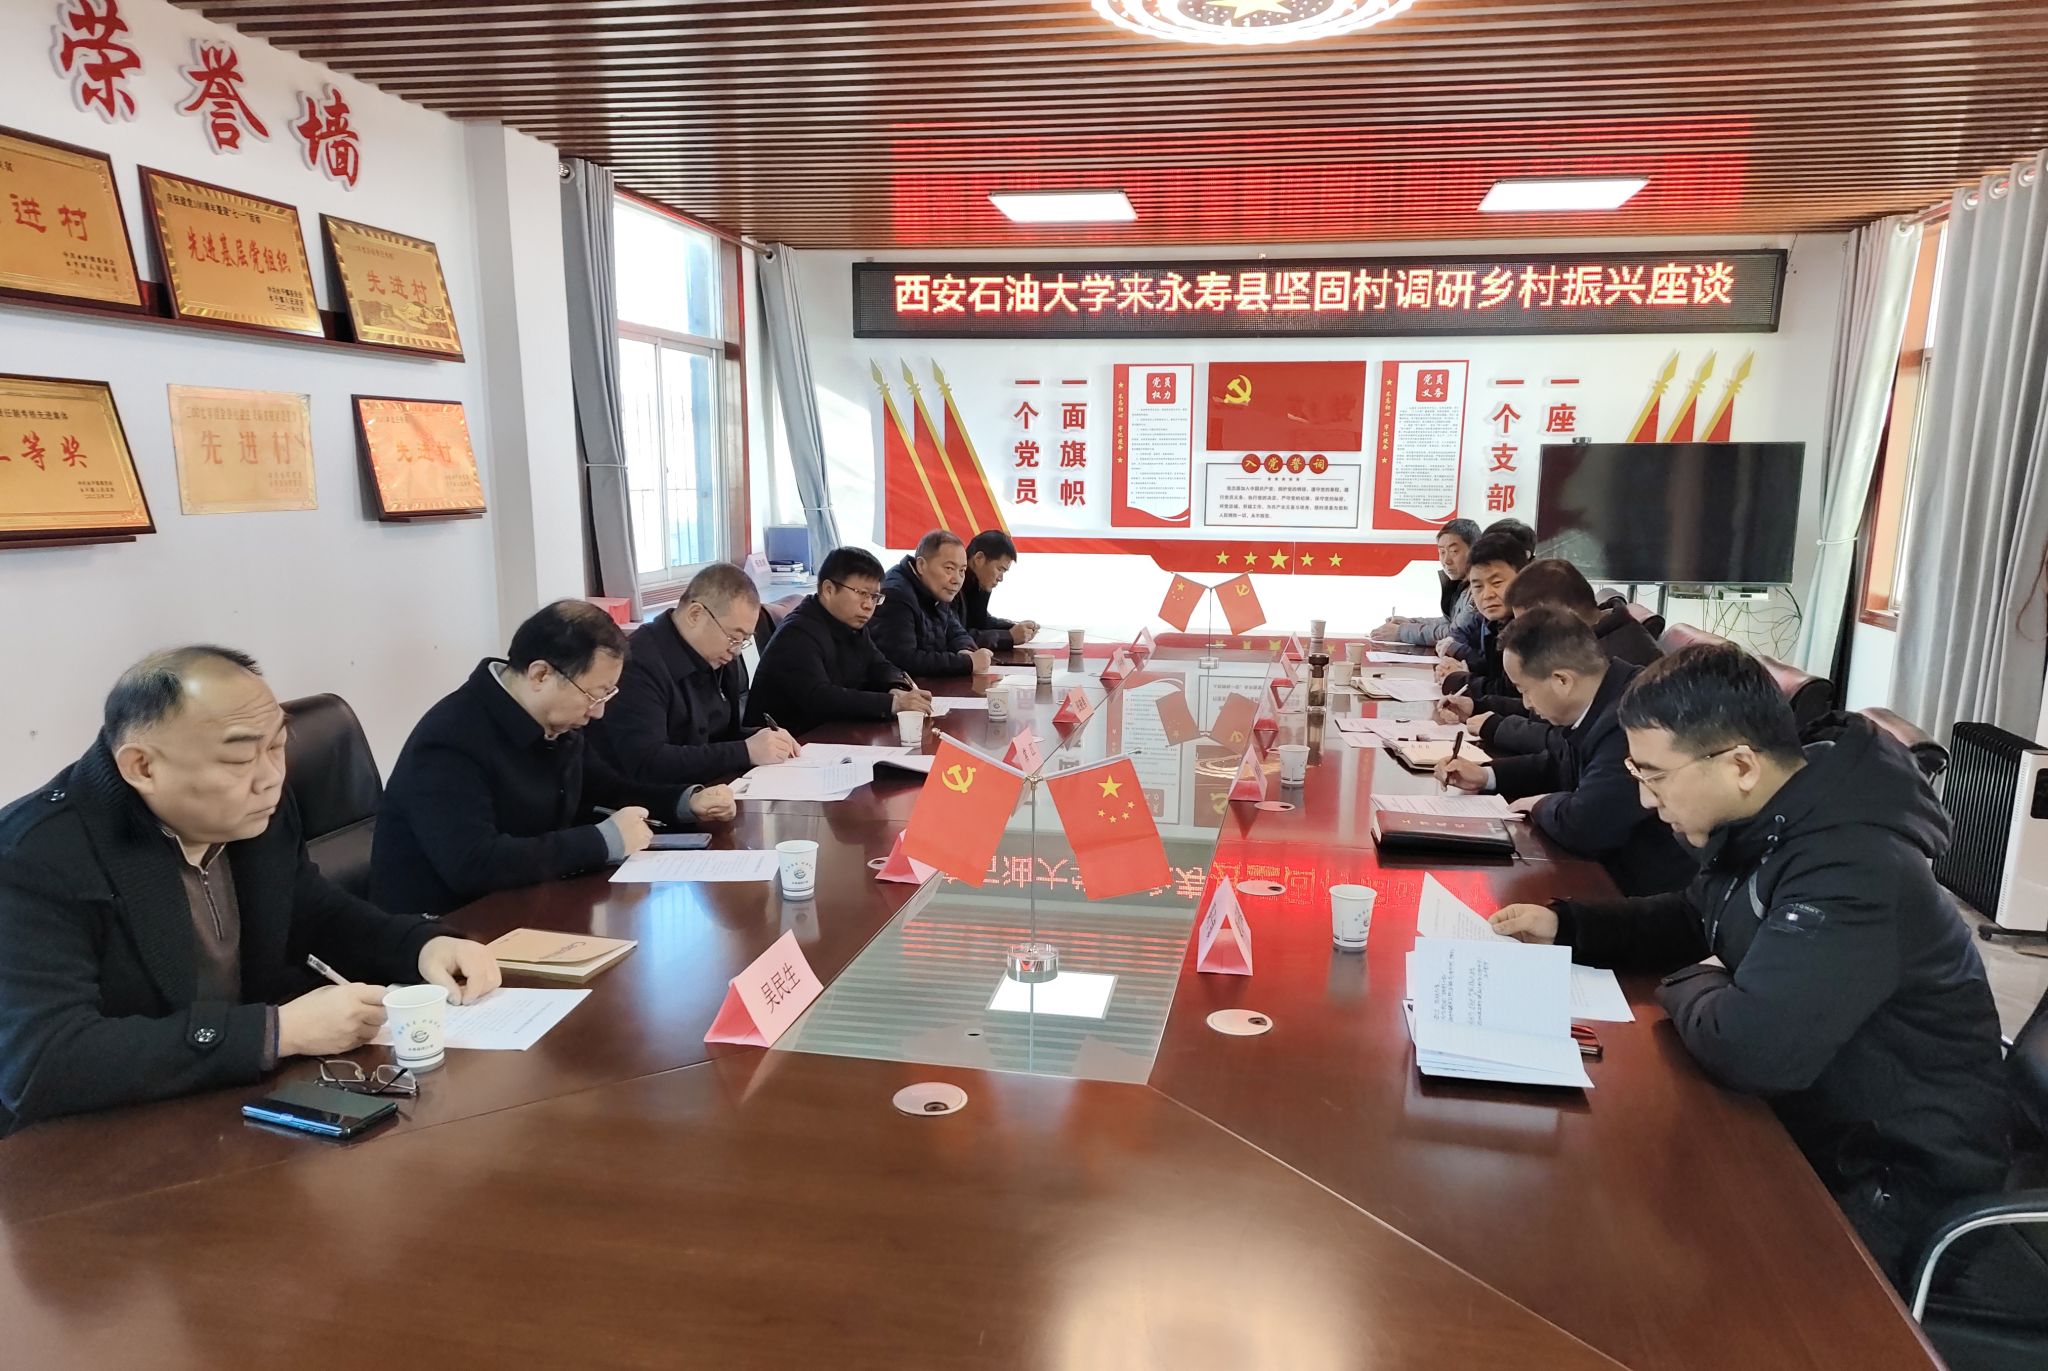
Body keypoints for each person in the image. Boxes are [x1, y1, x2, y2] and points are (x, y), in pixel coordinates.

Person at [1487, 644, 2011, 1292]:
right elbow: (1696, 916)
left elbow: (1749, 1048)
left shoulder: (1853, 866)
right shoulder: (1772, 813)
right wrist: (1570, 925)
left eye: (1656, 776)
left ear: (1739, 764)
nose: (1646, 799)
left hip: (1891, 1179)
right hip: (1811, 1118)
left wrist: (1687, 980)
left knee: (1643, 1274)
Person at [0, 647, 502, 1135]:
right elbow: (41, 1061)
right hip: (96, 1144)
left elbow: (313, 912)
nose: (271, 779)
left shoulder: (256, 812)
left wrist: (420, 944)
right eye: (240, 758)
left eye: (277, 746)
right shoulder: (34, 857)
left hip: (232, 1107)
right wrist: (276, 1032)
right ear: (143, 767)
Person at [372, 601, 737, 917]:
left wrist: (684, 801)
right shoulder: (451, 739)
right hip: (451, 930)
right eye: (593, 696)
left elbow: (604, 788)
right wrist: (599, 842)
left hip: (533, 904)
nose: (598, 713)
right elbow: (474, 863)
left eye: (607, 696)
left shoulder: (556, 722)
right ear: (541, 674)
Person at [1438, 607, 1693, 896]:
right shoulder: (1605, 694)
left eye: (1525, 690)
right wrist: (1486, 776)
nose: (1527, 703)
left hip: (1642, 891)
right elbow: (1560, 762)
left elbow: (1587, 825)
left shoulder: (1631, 717)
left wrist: (1540, 804)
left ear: (1562, 680)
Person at [587, 563, 798, 785]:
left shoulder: (721, 658)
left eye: (744, 640)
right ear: (695, 614)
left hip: (711, 789)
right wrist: (745, 751)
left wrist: (764, 739)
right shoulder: (637, 663)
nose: (736, 651)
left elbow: (722, 737)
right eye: (734, 637)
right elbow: (649, 761)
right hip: (646, 799)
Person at [1447, 558, 1664, 754]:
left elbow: (1569, 742)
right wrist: (1479, 705)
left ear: (1560, 615)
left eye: (1530, 624)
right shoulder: (1599, 632)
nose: (1522, 635)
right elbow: (1542, 705)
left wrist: (1497, 727)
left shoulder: (1619, 656)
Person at [744, 547, 936, 735]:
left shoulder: (849, 623)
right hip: (790, 742)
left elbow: (878, 664)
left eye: (874, 597)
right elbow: (820, 698)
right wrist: (892, 703)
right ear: (828, 589)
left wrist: (896, 686)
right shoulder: (797, 633)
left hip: (831, 734)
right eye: (862, 593)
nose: (869, 605)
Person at [869, 529, 994, 678]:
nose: (957, 579)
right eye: (949, 568)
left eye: (962, 571)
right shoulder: (896, 594)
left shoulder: (935, 589)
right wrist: (966, 663)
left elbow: (956, 631)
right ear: (921, 565)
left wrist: (965, 650)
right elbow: (903, 660)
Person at [1438, 529, 1529, 696]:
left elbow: (1510, 693)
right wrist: (1462, 670)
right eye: (1478, 586)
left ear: (1523, 578)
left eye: (1497, 582)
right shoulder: (1493, 623)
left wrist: (1460, 680)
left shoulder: (1530, 629)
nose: (1487, 595)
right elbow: (1494, 673)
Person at [1373, 518, 1481, 653]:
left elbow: (1455, 632)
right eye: (1442, 552)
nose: (1446, 560)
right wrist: (1411, 623)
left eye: (1454, 551)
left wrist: (1401, 632)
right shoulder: (1463, 586)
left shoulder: (1479, 589)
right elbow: (1451, 621)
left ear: (1475, 550)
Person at [959, 529, 1039, 651]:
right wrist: (1009, 636)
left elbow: (981, 622)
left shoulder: (974, 585)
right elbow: (956, 638)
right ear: (979, 558)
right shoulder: (951, 587)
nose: (1000, 578)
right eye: (999, 569)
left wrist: (1015, 628)